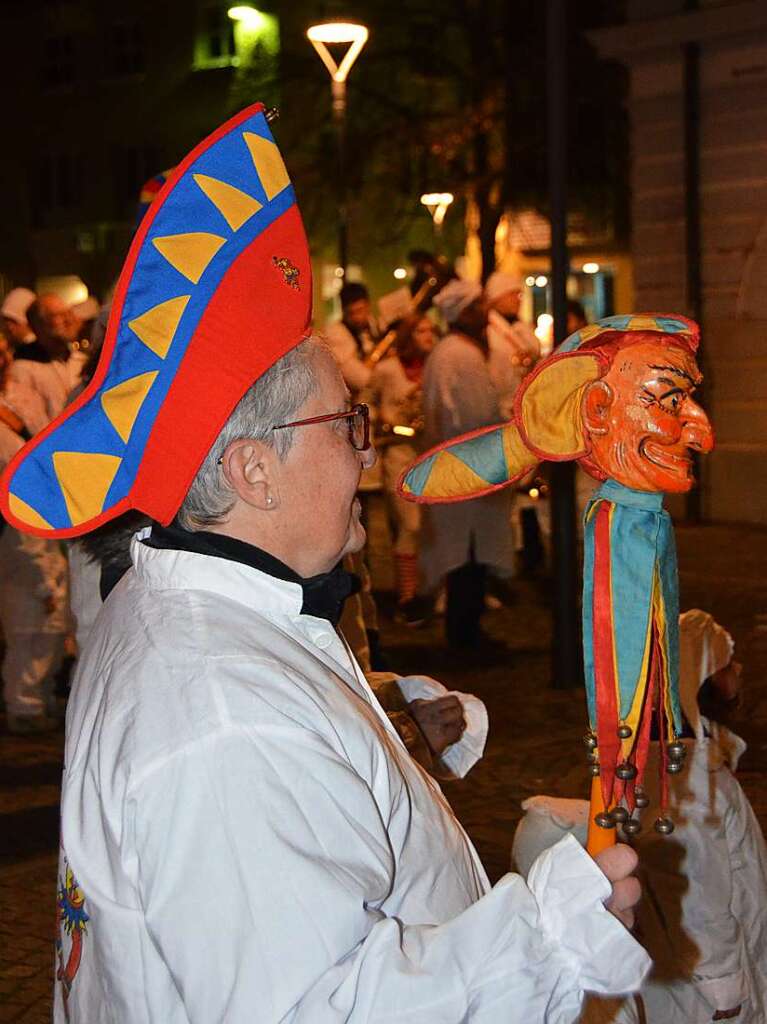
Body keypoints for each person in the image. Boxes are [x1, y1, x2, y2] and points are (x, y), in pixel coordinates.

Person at [1, 104, 648, 1022]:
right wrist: (551, 933)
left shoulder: (184, 607)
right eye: (347, 426)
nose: (368, 455)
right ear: (252, 470)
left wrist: (369, 714)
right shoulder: (226, 722)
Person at [513, 609, 767, 1024]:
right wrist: (724, 985)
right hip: (701, 986)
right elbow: (699, 890)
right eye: (727, 664)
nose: (738, 671)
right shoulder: (689, 781)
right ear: (701, 681)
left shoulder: (667, 761)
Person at [419, 279, 516, 648]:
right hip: (467, 471)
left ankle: (468, 631)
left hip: (459, 469)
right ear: (463, 313)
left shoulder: (451, 352)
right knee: (466, 556)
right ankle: (465, 637)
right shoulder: (461, 355)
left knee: (467, 554)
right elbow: (478, 417)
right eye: (477, 308)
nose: (486, 314)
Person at [370, 314, 434, 617]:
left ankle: (425, 591)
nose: (428, 336)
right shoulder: (387, 370)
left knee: (429, 525)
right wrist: (382, 420)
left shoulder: (435, 368)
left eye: (431, 330)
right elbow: (366, 402)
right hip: (398, 453)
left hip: (428, 452)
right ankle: (408, 596)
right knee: (410, 525)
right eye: (421, 330)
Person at [11, 292, 85, 422]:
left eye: (68, 313)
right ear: (38, 324)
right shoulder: (22, 369)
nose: (68, 320)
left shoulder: (81, 361)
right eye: (58, 315)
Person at [485, 270, 540, 417]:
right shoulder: (487, 332)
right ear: (497, 298)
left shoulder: (521, 328)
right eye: (512, 294)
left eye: (519, 294)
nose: (518, 299)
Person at [324, 281, 381, 399]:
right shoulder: (336, 333)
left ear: (368, 305)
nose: (357, 318)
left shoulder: (376, 326)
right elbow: (360, 379)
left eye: (360, 310)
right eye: (351, 313)